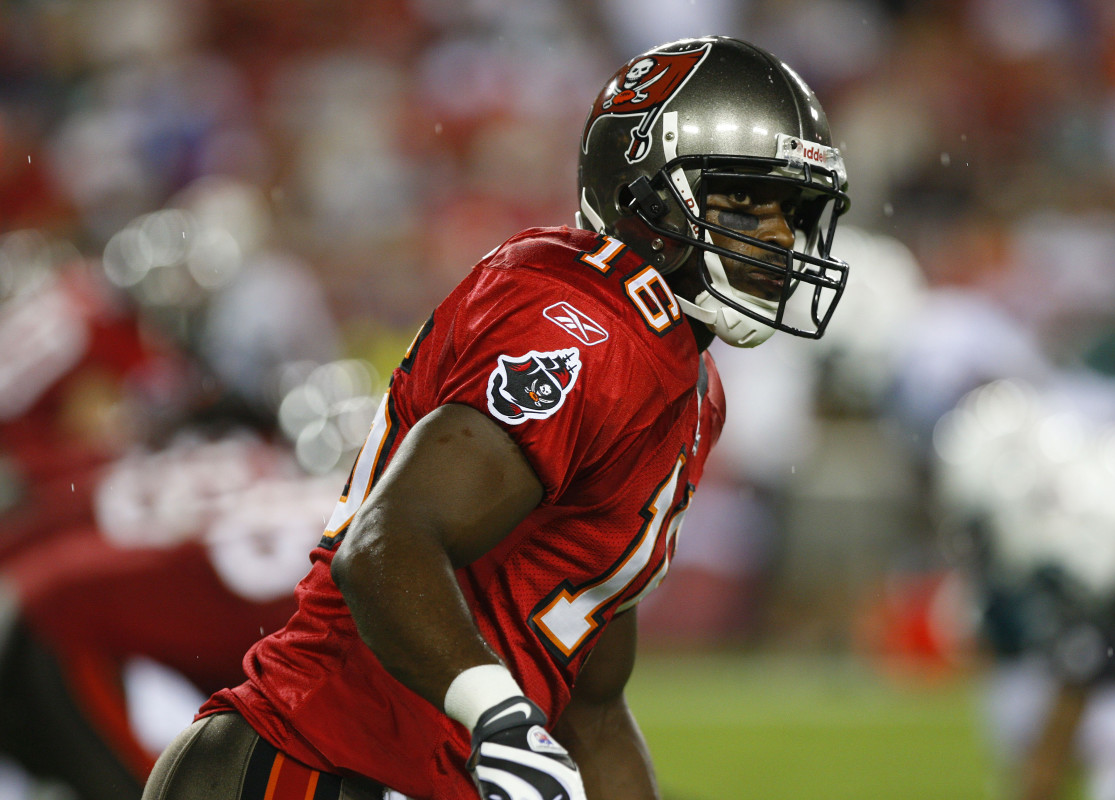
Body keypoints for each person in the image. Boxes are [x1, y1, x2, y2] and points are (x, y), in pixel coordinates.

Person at [144, 35, 851, 800]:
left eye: (792, 209)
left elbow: (595, 710)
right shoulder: (578, 321)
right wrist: (503, 719)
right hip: (301, 765)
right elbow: (388, 544)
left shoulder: (689, 386)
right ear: (646, 194)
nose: (779, 236)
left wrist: (515, 726)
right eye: (744, 201)